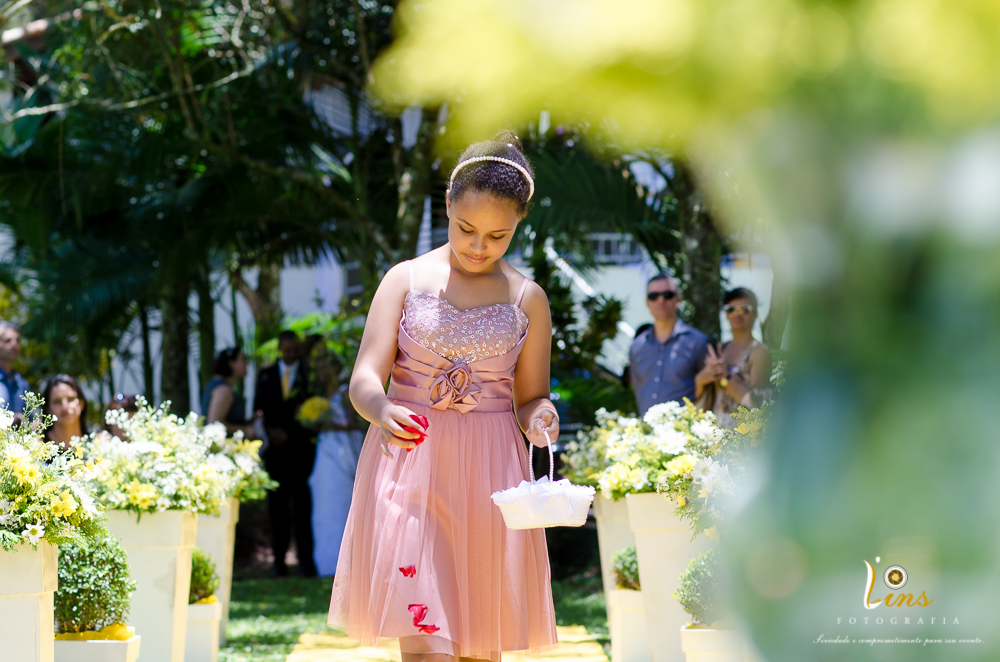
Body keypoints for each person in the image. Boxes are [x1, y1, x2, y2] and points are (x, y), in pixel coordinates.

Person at [328, 133, 559, 662]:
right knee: (426, 639)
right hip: (411, 464)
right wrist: (383, 408)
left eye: (498, 236)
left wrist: (541, 415)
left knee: (481, 646)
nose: (479, 247)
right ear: (448, 204)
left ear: (518, 224)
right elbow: (364, 377)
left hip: (491, 476)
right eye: (466, 229)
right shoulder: (403, 280)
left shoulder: (528, 298)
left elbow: (531, 399)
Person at [254, 330, 318, 577]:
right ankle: (278, 563)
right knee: (277, 510)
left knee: (302, 510)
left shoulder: (308, 375)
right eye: (287, 350)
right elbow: (258, 408)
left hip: (301, 451)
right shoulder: (266, 375)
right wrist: (271, 433)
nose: (291, 354)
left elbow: (313, 409)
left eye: (295, 350)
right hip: (275, 454)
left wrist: (290, 434)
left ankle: (306, 564)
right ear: (280, 349)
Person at [306, 340, 365, 577]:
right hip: (325, 450)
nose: (321, 373)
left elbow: (356, 423)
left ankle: (347, 563)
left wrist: (331, 426)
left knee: (342, 502)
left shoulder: (344, 392)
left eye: (324, 368)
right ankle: (327, 562)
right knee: (325, 504)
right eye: (318, 368)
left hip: (342, 451)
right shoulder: (321, 396)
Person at [629, 274, 710, 416]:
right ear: (647, 302)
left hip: (686, 433)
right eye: (654, 296)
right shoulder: (637, 346)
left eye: (667, 294)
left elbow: (709, 391)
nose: (661, 300)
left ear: (678, 299)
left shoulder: (698, 342)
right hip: (645, 434)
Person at [696, 288, 773, 429]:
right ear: (726, 314)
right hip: (712, 431)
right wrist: (702, 379)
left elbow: (756, 404)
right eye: (731, 309)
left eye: (745, 309)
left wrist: (725, 378)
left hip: (742, 435)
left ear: (755, 313)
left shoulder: (759, 352)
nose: (737, 314)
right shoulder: (720, 349)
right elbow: (699, 393)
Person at [201, 348, 258, 438]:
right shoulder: (223, 389)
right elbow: (214, 423)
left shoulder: (220, 384)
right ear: (232, 364)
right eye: (243, 359)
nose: (246, 363)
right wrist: (245, 430)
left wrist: (250, 421)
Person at [41, 374, 89, 450]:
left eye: (70, 399)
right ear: (48, 409)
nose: (65, 407)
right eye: (57, 401)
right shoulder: (37, 448)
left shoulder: (98, 444)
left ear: (81, 404)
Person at [0, 320, 29, 416]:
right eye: (8, 340)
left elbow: (30, 420)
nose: (14, 344)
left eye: (17, 340)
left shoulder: (22, 384)